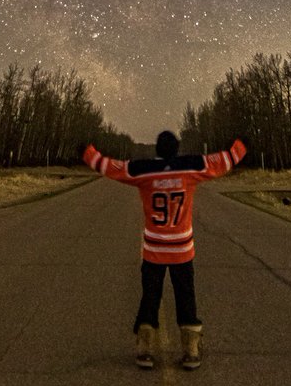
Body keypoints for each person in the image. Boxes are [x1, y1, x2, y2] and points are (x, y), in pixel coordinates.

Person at [82, 130, 246, 371]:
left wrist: (87, 153)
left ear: (157, 149)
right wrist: (241, 146)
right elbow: (222, 161)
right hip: (182, 249)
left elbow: (111, 167)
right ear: (177, 149)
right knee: (185, 297)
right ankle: (190, 349)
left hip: (153, 250)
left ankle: (144, 349)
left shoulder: (143, 171)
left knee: (150, 297)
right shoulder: (191, 168)